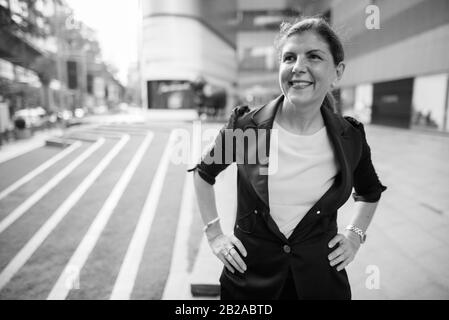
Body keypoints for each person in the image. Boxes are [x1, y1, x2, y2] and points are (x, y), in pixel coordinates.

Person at [188, 17, 386, 300]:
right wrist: (215, 234)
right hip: (250, 282)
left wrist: (355, 235)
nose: (298, 67)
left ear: (337, 72)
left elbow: (370, 192)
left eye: (314, 57)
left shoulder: (350, 136)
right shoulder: (247, 127)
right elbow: (203, 174)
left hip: (321, 282)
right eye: (289, 57)